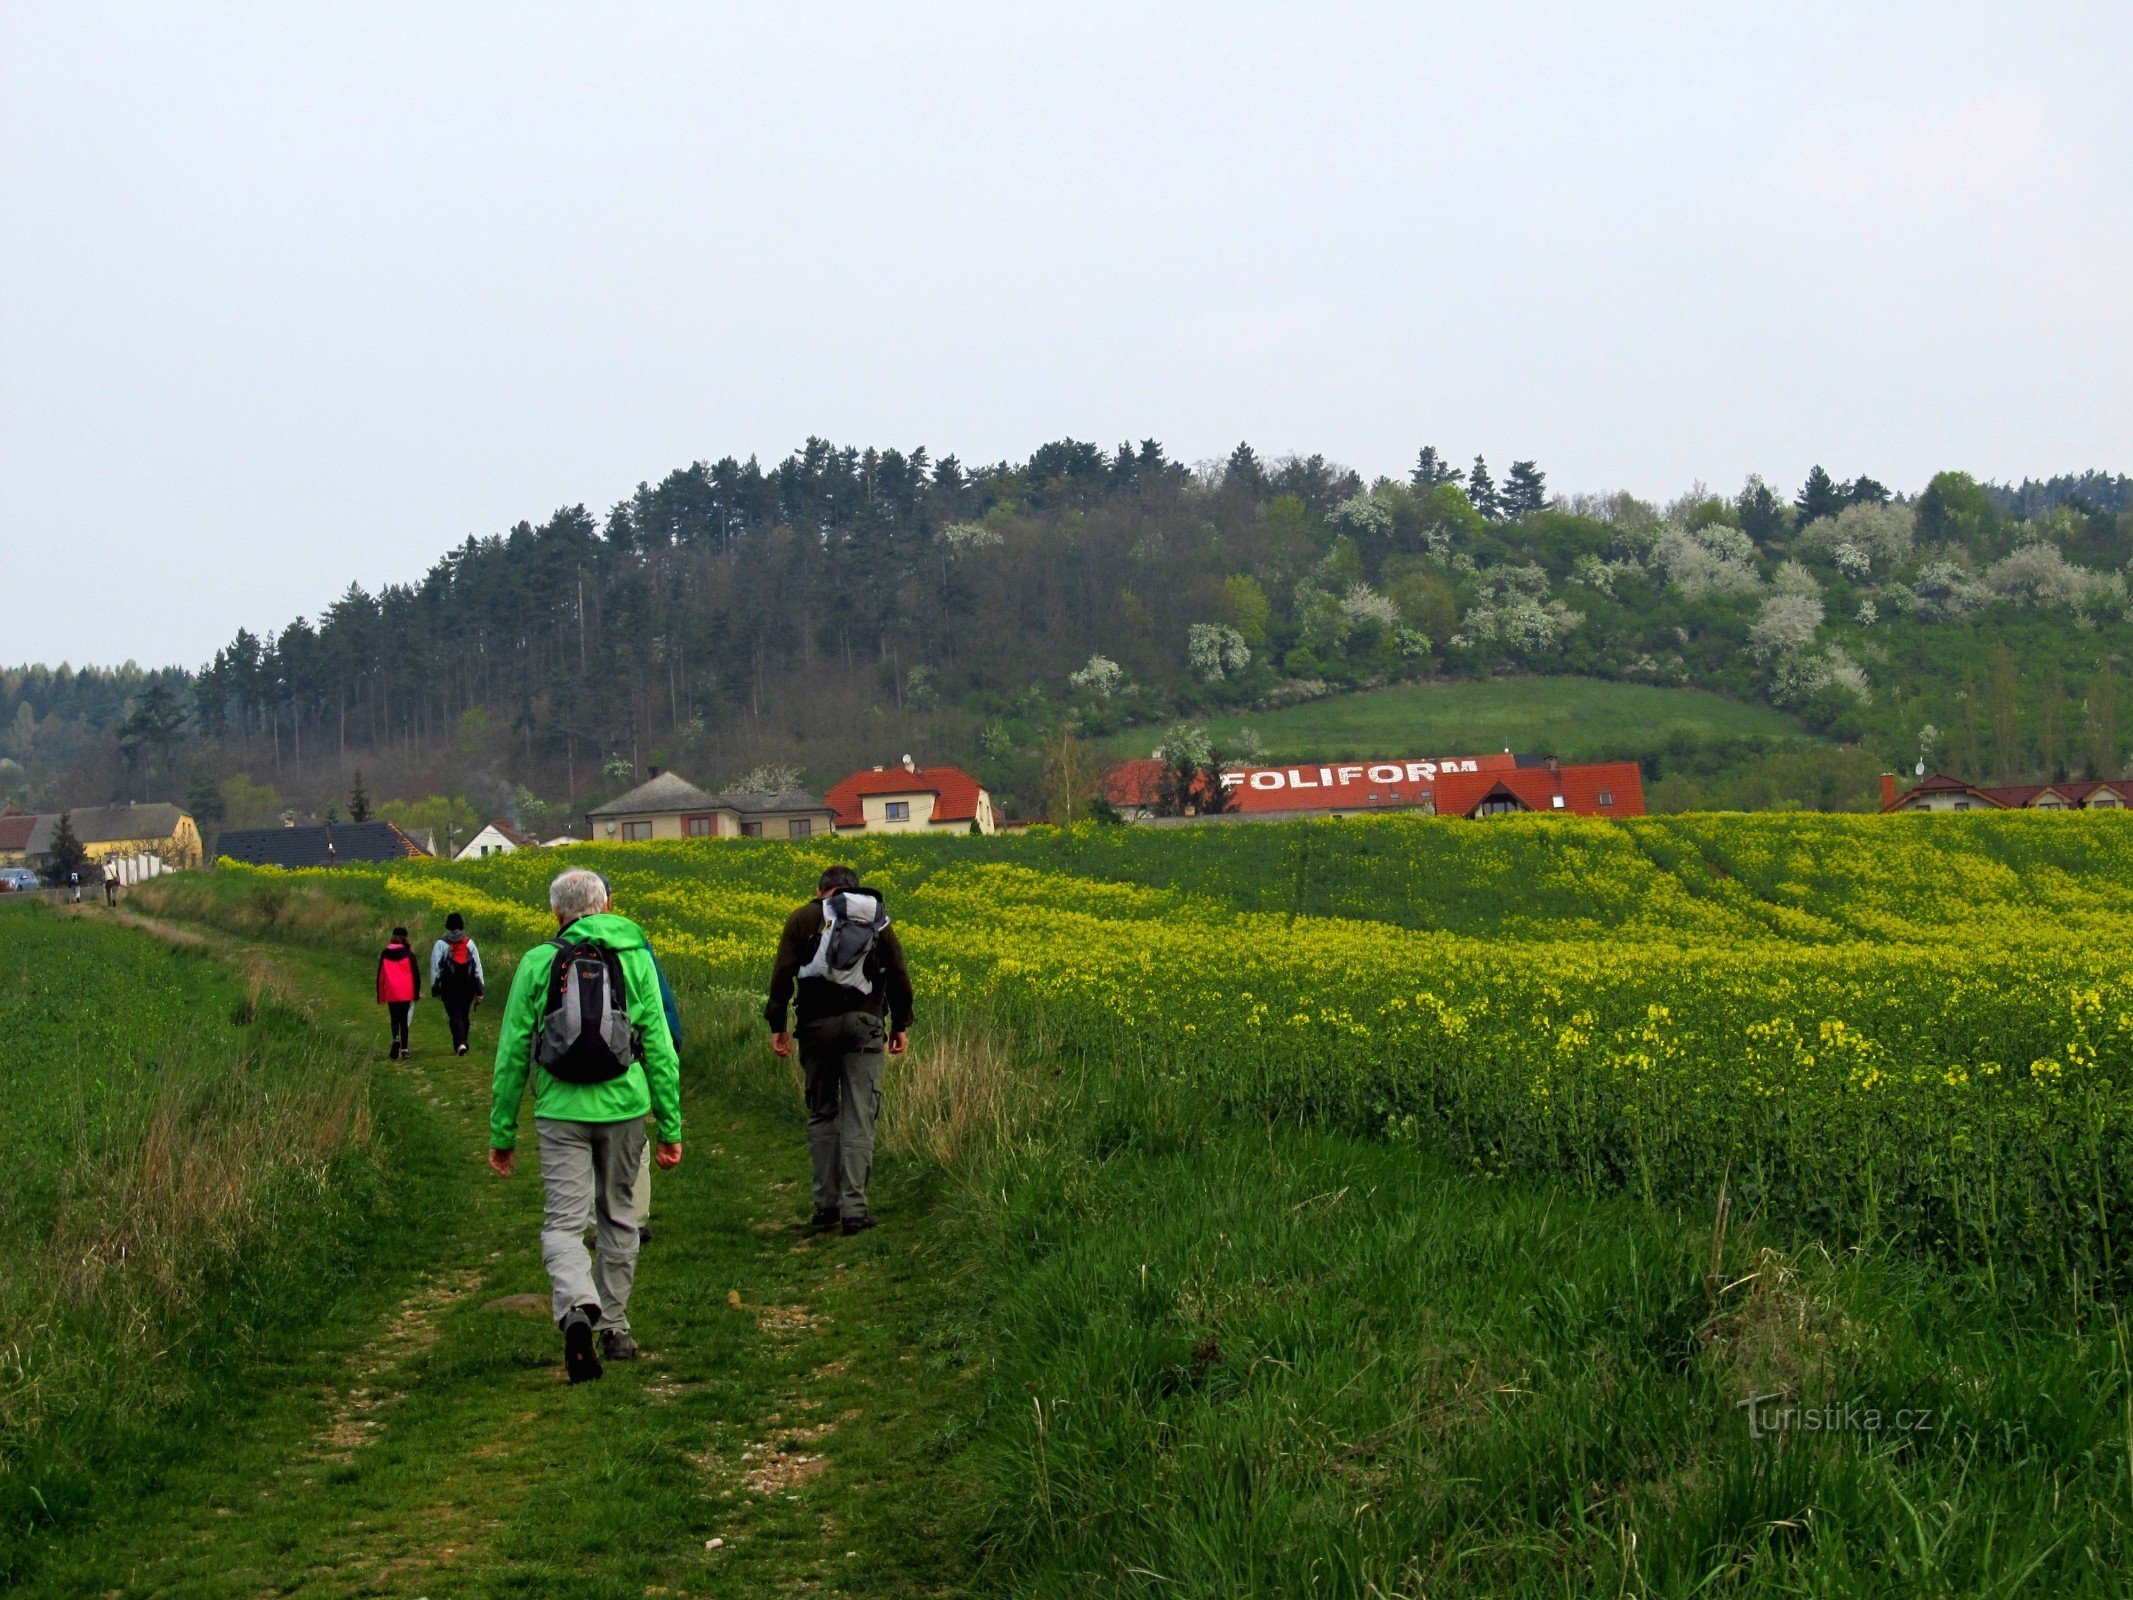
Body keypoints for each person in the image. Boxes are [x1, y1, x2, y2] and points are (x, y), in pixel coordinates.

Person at [489, 867, 683, 1384]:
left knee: (562, 1223)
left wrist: (501, 1133)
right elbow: (659, 1047)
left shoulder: (537, 962)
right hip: (625, 1109)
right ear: (608, 906)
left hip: (560, 1111)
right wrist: (670, 1125)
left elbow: (512, 1054)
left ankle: (577, 1307)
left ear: (558, 914)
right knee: (619, 1215)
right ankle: (615, 1328)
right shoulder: (635, 957)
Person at [765, 864, 913, 1236]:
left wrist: (777, 1025)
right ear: (854, 891)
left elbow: (783, 972)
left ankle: (826, 1206)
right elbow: (897, 972)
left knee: (822, 1112)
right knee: (859, 1115)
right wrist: (900, 1024)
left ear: (821, 890)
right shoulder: (876, 919)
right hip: (865, 1024)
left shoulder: (803, 918)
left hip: (816, 1027)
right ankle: (855, 1210)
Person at [625, 942, 684, 1244]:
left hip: (566, 1087)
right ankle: (634, 1221)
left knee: (582, 1151)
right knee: (635, 1144)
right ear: (607, 903)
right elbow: (662, 1008)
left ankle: (595, 1226)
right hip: (626, 1075)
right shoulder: (634, 948)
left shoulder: (551, 954)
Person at [429, 911, 487, 1056]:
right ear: (461, 925)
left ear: (447, 926)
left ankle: (460, 1043)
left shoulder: (441, 944)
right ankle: (464, 1042)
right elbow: (477, 968)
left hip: (449, 985)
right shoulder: (469, 943)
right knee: (464, 1013)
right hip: (468, 985)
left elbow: (435, 968)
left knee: (454, 1014)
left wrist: (435, 989)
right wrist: (480, 989)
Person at [376, 927, 419, 1059]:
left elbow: (380, 975)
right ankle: (404, 1049)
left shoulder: (385, 953)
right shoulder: (409, 954)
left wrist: (380, 994)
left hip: (391, 991)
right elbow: (416, 975)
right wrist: (416, 993)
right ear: (405, 938)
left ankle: (396, 1038)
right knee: (403, 1020)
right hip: (406, 991)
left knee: (394, 1018)